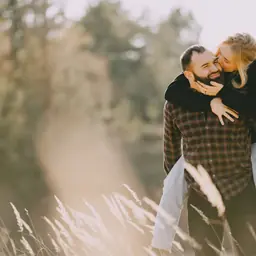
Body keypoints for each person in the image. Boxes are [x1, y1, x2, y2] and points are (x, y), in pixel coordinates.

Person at [152, 33, 256, 254]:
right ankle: (160, 246)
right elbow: (171, 151)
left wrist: (223, 97)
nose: (216, 67)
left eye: (218, 62)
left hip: (242, 190)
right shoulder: (176, 102)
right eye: (207, 65)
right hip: (202, 196)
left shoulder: (240, 88)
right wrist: (185, 183)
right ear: (189, 74)